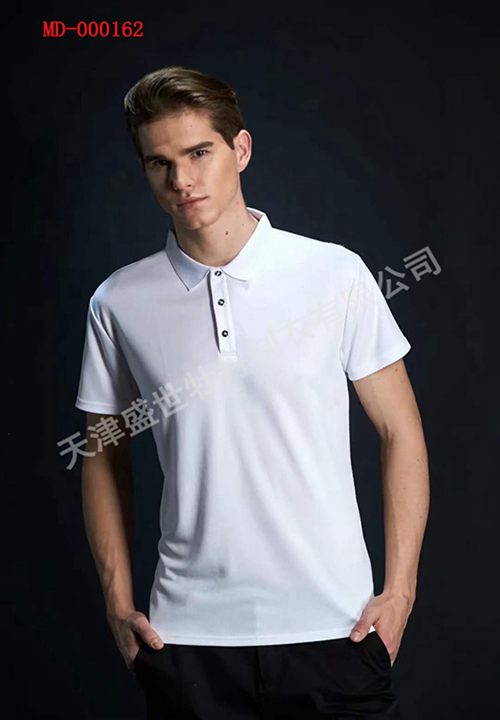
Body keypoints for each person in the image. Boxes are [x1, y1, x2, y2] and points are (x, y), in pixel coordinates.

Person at [75, 65, 430, 719]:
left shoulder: (334, 274)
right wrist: (116, 604)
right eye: (159, 163)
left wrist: (400, 590)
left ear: (240, 149)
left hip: (338, 628)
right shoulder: (118, 302)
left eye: (198, 153)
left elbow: (400, 431)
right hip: (188, 644)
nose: (181, 180)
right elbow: (100, 451)